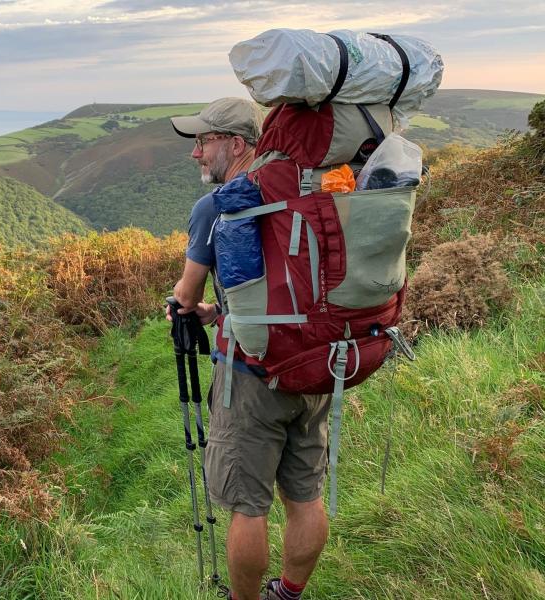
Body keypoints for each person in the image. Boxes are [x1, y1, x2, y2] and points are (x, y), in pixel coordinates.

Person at [166, 98, 331, 600]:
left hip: (251, 376)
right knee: (305, 497)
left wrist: (189, 306)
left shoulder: (216, 207)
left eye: (203, 141)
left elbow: (186, 294)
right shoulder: (306, 189)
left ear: (235, 144)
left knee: (247, 504)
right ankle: (290, 593)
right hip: (318, 365)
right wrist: (223, 314)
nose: (195, 154)